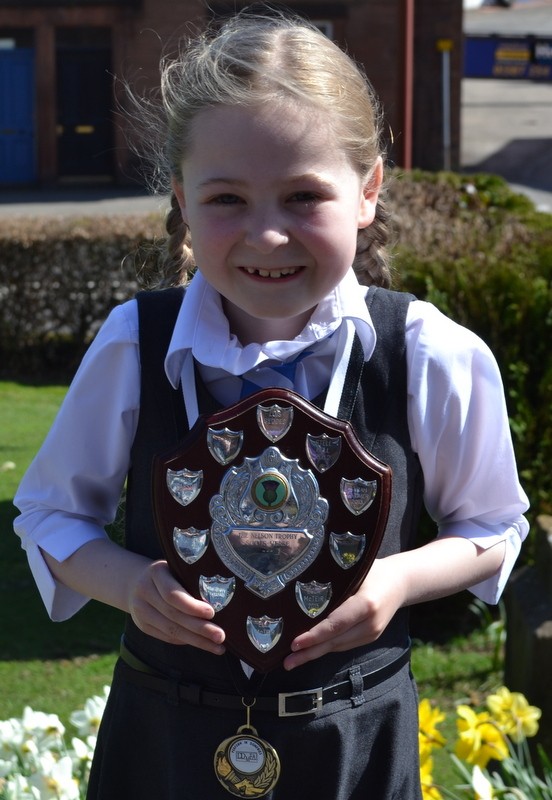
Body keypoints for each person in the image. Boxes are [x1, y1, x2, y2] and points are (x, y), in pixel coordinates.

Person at [13, 11, 529, 800]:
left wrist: (395, 582)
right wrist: (129, 584)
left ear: (368, 191)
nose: (267, 235)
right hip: (163, 740)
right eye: (227, 198)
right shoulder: (135, 344)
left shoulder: (428, 352)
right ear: (182, 198)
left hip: (353, 739)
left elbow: (492, 527)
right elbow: (50, 516)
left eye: (302, 196)